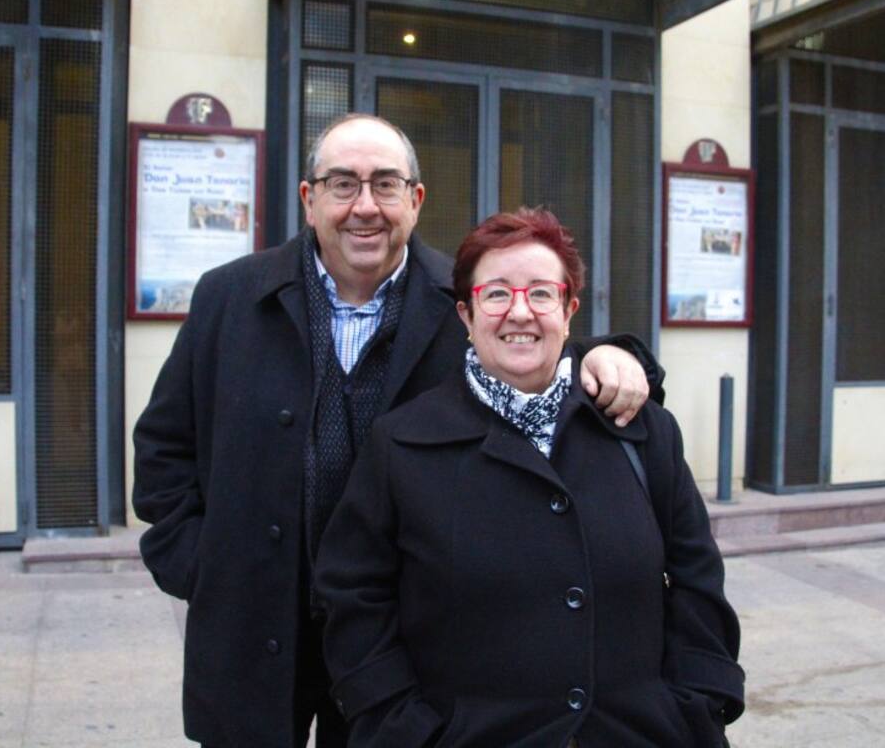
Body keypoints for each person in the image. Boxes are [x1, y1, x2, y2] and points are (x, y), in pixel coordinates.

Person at [132, 114, 664, 748]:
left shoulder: (460, 303)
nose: (365, 207)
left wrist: (616, 353)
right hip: (252, 627)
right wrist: (202, 568)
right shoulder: (229, 298)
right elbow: (164, 448)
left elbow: (534, 347)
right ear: (308, 199)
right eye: (342, 184)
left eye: (386, 184)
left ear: (415, 200)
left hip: (399, 645)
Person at [315, 208, 743, 747]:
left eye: (541, 293)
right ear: (467, 315)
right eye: (496, 294)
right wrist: (404, 731)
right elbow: (353, 599)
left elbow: (698, 584)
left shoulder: (643, 433)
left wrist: (696, 706)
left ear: (569, 311)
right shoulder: (401, 445)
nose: (520, 312)